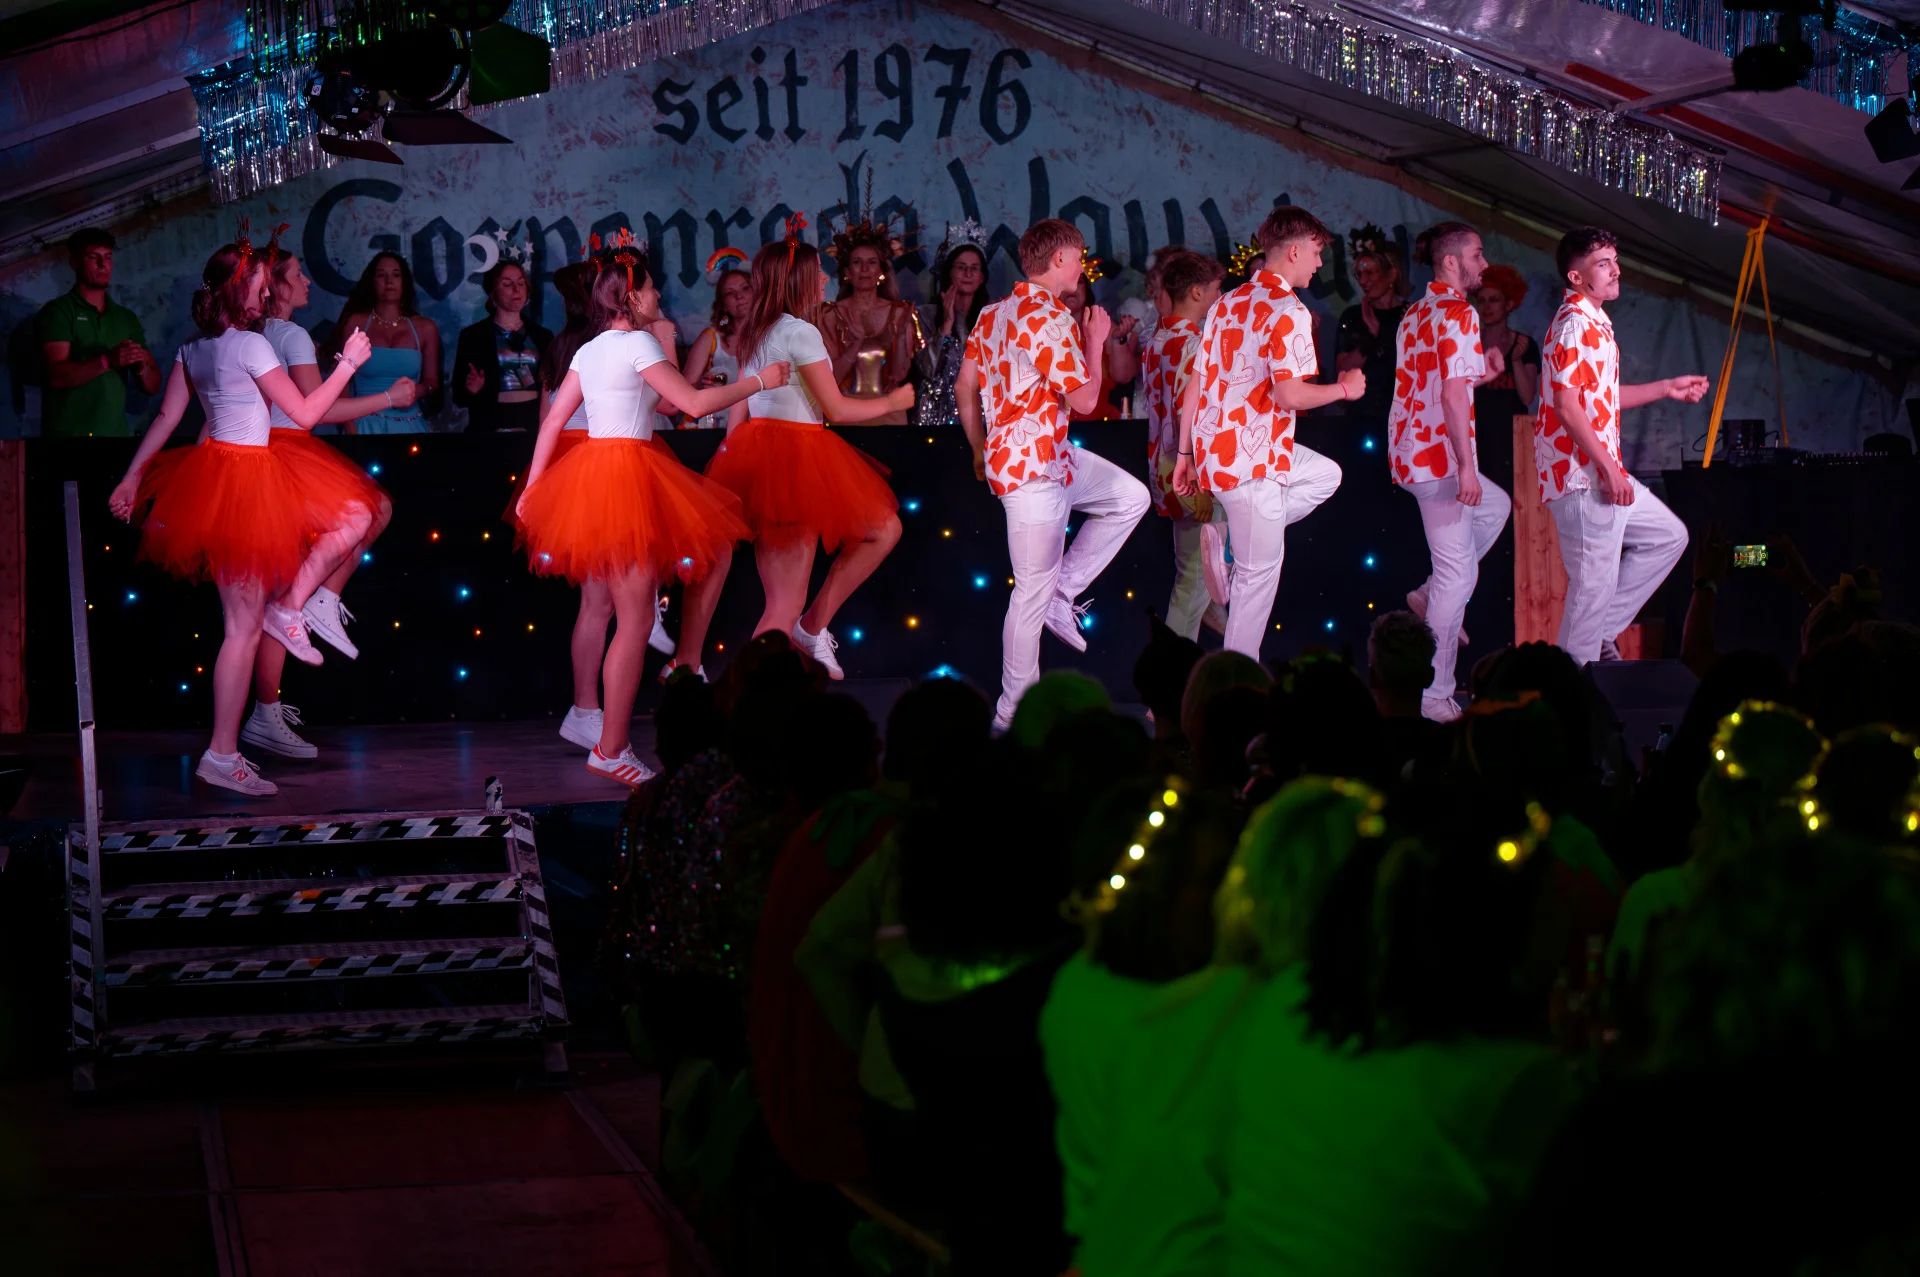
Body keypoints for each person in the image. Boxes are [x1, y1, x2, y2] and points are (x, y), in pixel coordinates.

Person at [106, 237, 376, 796]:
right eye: (259, 283)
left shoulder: (192, 349)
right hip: (248, 479)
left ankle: (228, 743)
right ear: (237, 289)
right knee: (351, 519)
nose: (267, 292)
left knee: (245, 626)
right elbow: (306, 413)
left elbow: (166, 420)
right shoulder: (251, 345)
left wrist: (132, 477)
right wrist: (348, 364)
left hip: (220, 480)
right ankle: (224, 749)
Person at [515, 237, 780, 785]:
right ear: (633, 297)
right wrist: (758, 381)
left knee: (623, 615)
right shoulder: (637, 344)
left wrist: (533, 486)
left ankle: (607, 739)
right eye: (654, 288)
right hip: (626, 477)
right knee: (634, 619)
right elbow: (694, 405)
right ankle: (610, 749)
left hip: (593, 477)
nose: (660, 295)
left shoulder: (591, 350)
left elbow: (553, 423)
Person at [956, 218, 1151, 732]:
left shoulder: (993, 313)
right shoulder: (1050, 315)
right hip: (1032, 470)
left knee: (1130, 497)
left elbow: (963, 386)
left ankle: (1066, 589)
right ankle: (1013, 712)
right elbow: (1085, 400)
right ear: (1061, 259)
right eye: (1079, 257)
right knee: (1029, 595)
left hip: (1050, 456)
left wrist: (978, 447)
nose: (1082, 267)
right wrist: (1096, 339)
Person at [707, 230, 912, 677]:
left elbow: (741, 407)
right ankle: (752, 699)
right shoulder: (801, 333)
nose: (824, 279)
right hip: (791, 460)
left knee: (884, 529)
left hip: (767, 457)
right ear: (798, 280)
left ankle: (811, 627)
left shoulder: (757, 331)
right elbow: (837, 409)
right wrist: (893, 402)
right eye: (817, 271)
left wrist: (737, 460)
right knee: (783, 603)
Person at [240, 249, 408, 761]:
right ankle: (315, 608)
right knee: (368, 514)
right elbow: (318, 410)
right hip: (288, 457)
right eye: (298, 274)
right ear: (276, 285)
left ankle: (266, 708)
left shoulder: (248, 335)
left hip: (257, 458)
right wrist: (389, 399)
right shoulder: (288, 335)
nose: (308, 281)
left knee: (280, 586)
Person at [1174, 207, 1361, 661]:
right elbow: (1289, 394)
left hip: (1222, 455)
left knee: (1325, 475)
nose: (1319, 262)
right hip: (1254, 466)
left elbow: (1197, 383)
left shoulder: (1227, 303)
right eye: (1316, 252)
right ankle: (1235, 684)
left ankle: (1231, 545)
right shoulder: (1288, 309)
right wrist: (1344, 389)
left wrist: (1186, 455)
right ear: (1293, 251)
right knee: (1255, 587)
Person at [1537, 226, 1707, 664]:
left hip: (1599, 471)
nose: (1615, 270)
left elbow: (1603, 397)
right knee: (1590, 592)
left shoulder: (1594, 322)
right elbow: (1567, 406)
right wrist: (1610, 471)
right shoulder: (1574, 324)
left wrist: (1667, 387)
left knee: (1668, 536)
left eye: (1615, 260)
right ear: (1577, 277)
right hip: (1582, 476)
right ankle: (1572, 685)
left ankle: (1602, 635)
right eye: (1603, 263)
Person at [1389, 222, 1513, 722]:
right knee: (1457, 575)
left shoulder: (1417, 312)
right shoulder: (1459, 312)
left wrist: (1482, 374)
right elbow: (1452, 394)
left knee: (1496, 506)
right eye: (1477, 255)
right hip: (1439, 459)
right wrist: (1466, 467)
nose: (1484, 264)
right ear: (1450, 262)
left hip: (1413, 452)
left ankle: (1428, 593)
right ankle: (1434, 695)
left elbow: (1440, 382)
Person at [1143, 249, 1229, 640]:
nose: (1219, 297)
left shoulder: (1156, 340)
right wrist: (1196, 474)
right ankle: (1172, 675)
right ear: (1196, 292)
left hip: (1163, 470)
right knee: (1191, 585)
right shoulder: (1196, 344)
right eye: (1215, 289)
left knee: (1192, 576)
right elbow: (1188, 415)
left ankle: (1214, 620)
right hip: (1191, 473)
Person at [37, 227, 161, 437]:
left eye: (108, 257)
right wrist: (107, 361)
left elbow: (154, 386)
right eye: (93, 257)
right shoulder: (58, 312)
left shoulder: (125, 318)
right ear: (74, 263)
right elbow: (56, 376)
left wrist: (142, 368)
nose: (103, 265)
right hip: (68, 436)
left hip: (116, 434)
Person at [817, 215, 918, 425]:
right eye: (857, 262)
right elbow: (829, 380)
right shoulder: (830, 315)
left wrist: (900, 337)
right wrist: (854, 346)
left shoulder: (899, 312)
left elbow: (899, 375)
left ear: (881, 271)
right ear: (847, 272)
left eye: (871, 262)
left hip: (889, 416)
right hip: (844, 414)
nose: (864, 269)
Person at [335, 251, 440, 432]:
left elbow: (432, 382)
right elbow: (341, 383)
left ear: (404, 282)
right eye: (381, 275)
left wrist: (417, 390)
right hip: (364, 425)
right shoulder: (356, 323)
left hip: (410, 426)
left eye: (396, 275)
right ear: (373, 282)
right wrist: (351, 430)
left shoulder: (425, 328)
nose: (389, 281)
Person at [453, 256, 552, 433]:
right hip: (490, 430)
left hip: (533, 429)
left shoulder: (542, 336)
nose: (516, 289)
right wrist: (472, 390)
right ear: (492, 292)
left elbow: (553, 391)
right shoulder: (473, 336)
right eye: (507, 284)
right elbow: (458, 397)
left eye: (521, 283)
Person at [914, 221, 991, 427]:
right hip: (935, 418)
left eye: (974, 268)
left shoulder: (991, 319)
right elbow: (927, 370)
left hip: (980, 418)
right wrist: (945, 327)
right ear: (949, 272)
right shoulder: (925, 315)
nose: (968, 274)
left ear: (982, 277)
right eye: (961, 267)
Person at [1470, 264, 1540, 482]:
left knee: (1515, 497)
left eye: (1494, 300)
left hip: (1513, 440)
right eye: (1482, 301)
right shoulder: (1468, 343)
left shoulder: (1524, 344)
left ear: (1509, 304)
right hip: (1475, 438)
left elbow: (1527, 397)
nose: (1486, 307)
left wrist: (1516, 360)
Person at [1332, 225, 1406, 426]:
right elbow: (1342, 373)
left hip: (1404, 415)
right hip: (1361, 415)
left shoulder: (1410, 315)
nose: (1363, 281)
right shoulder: (1353, 316)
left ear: (1391, 274)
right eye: (1359, 274)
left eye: (1370, 272)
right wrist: (1371, 338)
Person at [680, 265, 752, 430]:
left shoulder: (771, 335)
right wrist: (700, 386)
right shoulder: (710, 337)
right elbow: (683, 391)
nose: (739, 296)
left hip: (755, 424)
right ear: (723, 304)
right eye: (730, 293)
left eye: (745, 288)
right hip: (714, 425)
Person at [1062, 274, 1140, 421]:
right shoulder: (1042, 327)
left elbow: (1125, 377)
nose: (1073, 288)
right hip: (1054, 423)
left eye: (1079, 282)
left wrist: (1119, 339)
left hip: (1099, 423)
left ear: (1087, 290)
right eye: (1067, 282)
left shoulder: (1103, 324)